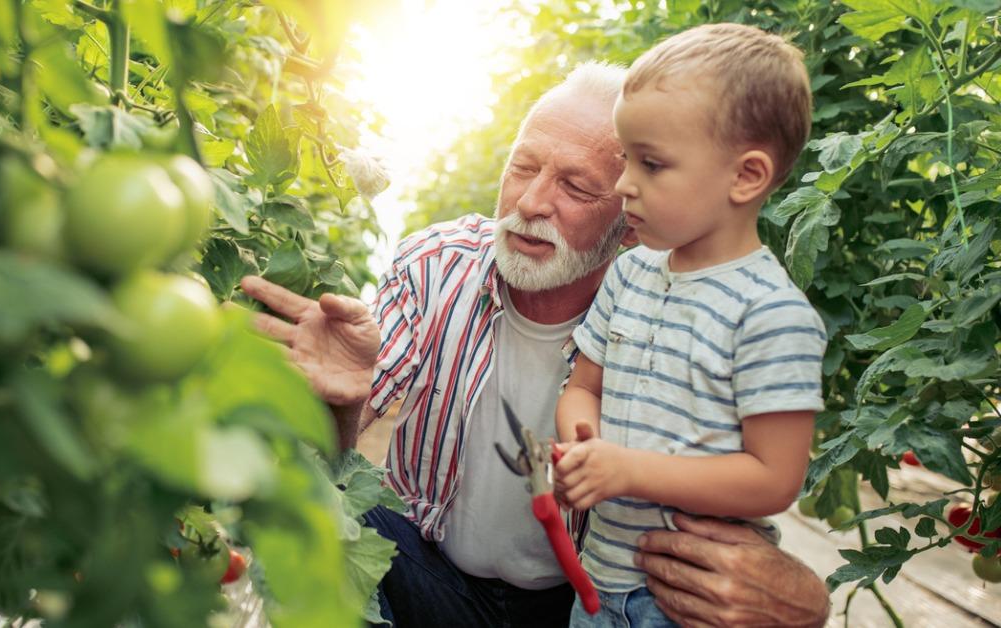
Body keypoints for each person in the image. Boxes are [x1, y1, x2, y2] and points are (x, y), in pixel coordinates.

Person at [240, 59, 831, 627]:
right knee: (319, 515)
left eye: (576, 185)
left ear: (628, 215)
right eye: (524, 167)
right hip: (432, 573)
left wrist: (799, 594)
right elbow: (334, 455)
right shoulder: (434, 266)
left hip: (584, 602)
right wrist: (342, 402)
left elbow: (734, 476)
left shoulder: (667, 312)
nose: (530, 203)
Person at [552, 24, 826, 628]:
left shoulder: (771, 315)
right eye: (627, 158)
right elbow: (583, 387)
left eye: (651, 163)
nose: (624, 182)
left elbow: (773, 479)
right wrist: (582, 440)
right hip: (598, 577)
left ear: (746, 176)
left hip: (688, 602)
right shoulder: (629, 276)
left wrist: (626, 470)